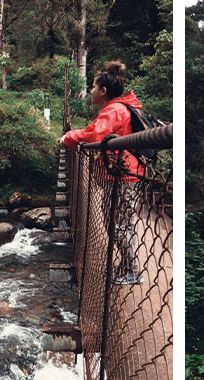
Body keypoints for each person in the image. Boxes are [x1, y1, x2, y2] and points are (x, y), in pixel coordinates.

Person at [60, 59, 144, 284]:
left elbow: (96, 135)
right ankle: (128, 266)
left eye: (93, 87)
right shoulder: (113, 109)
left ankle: (132, 271)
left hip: (123, 176)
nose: (90, 91)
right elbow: (95, 131)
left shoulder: (115, 110)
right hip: (119, 175)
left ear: (103, 90)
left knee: (120, 224)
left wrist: (70, 137)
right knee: (115, 223)